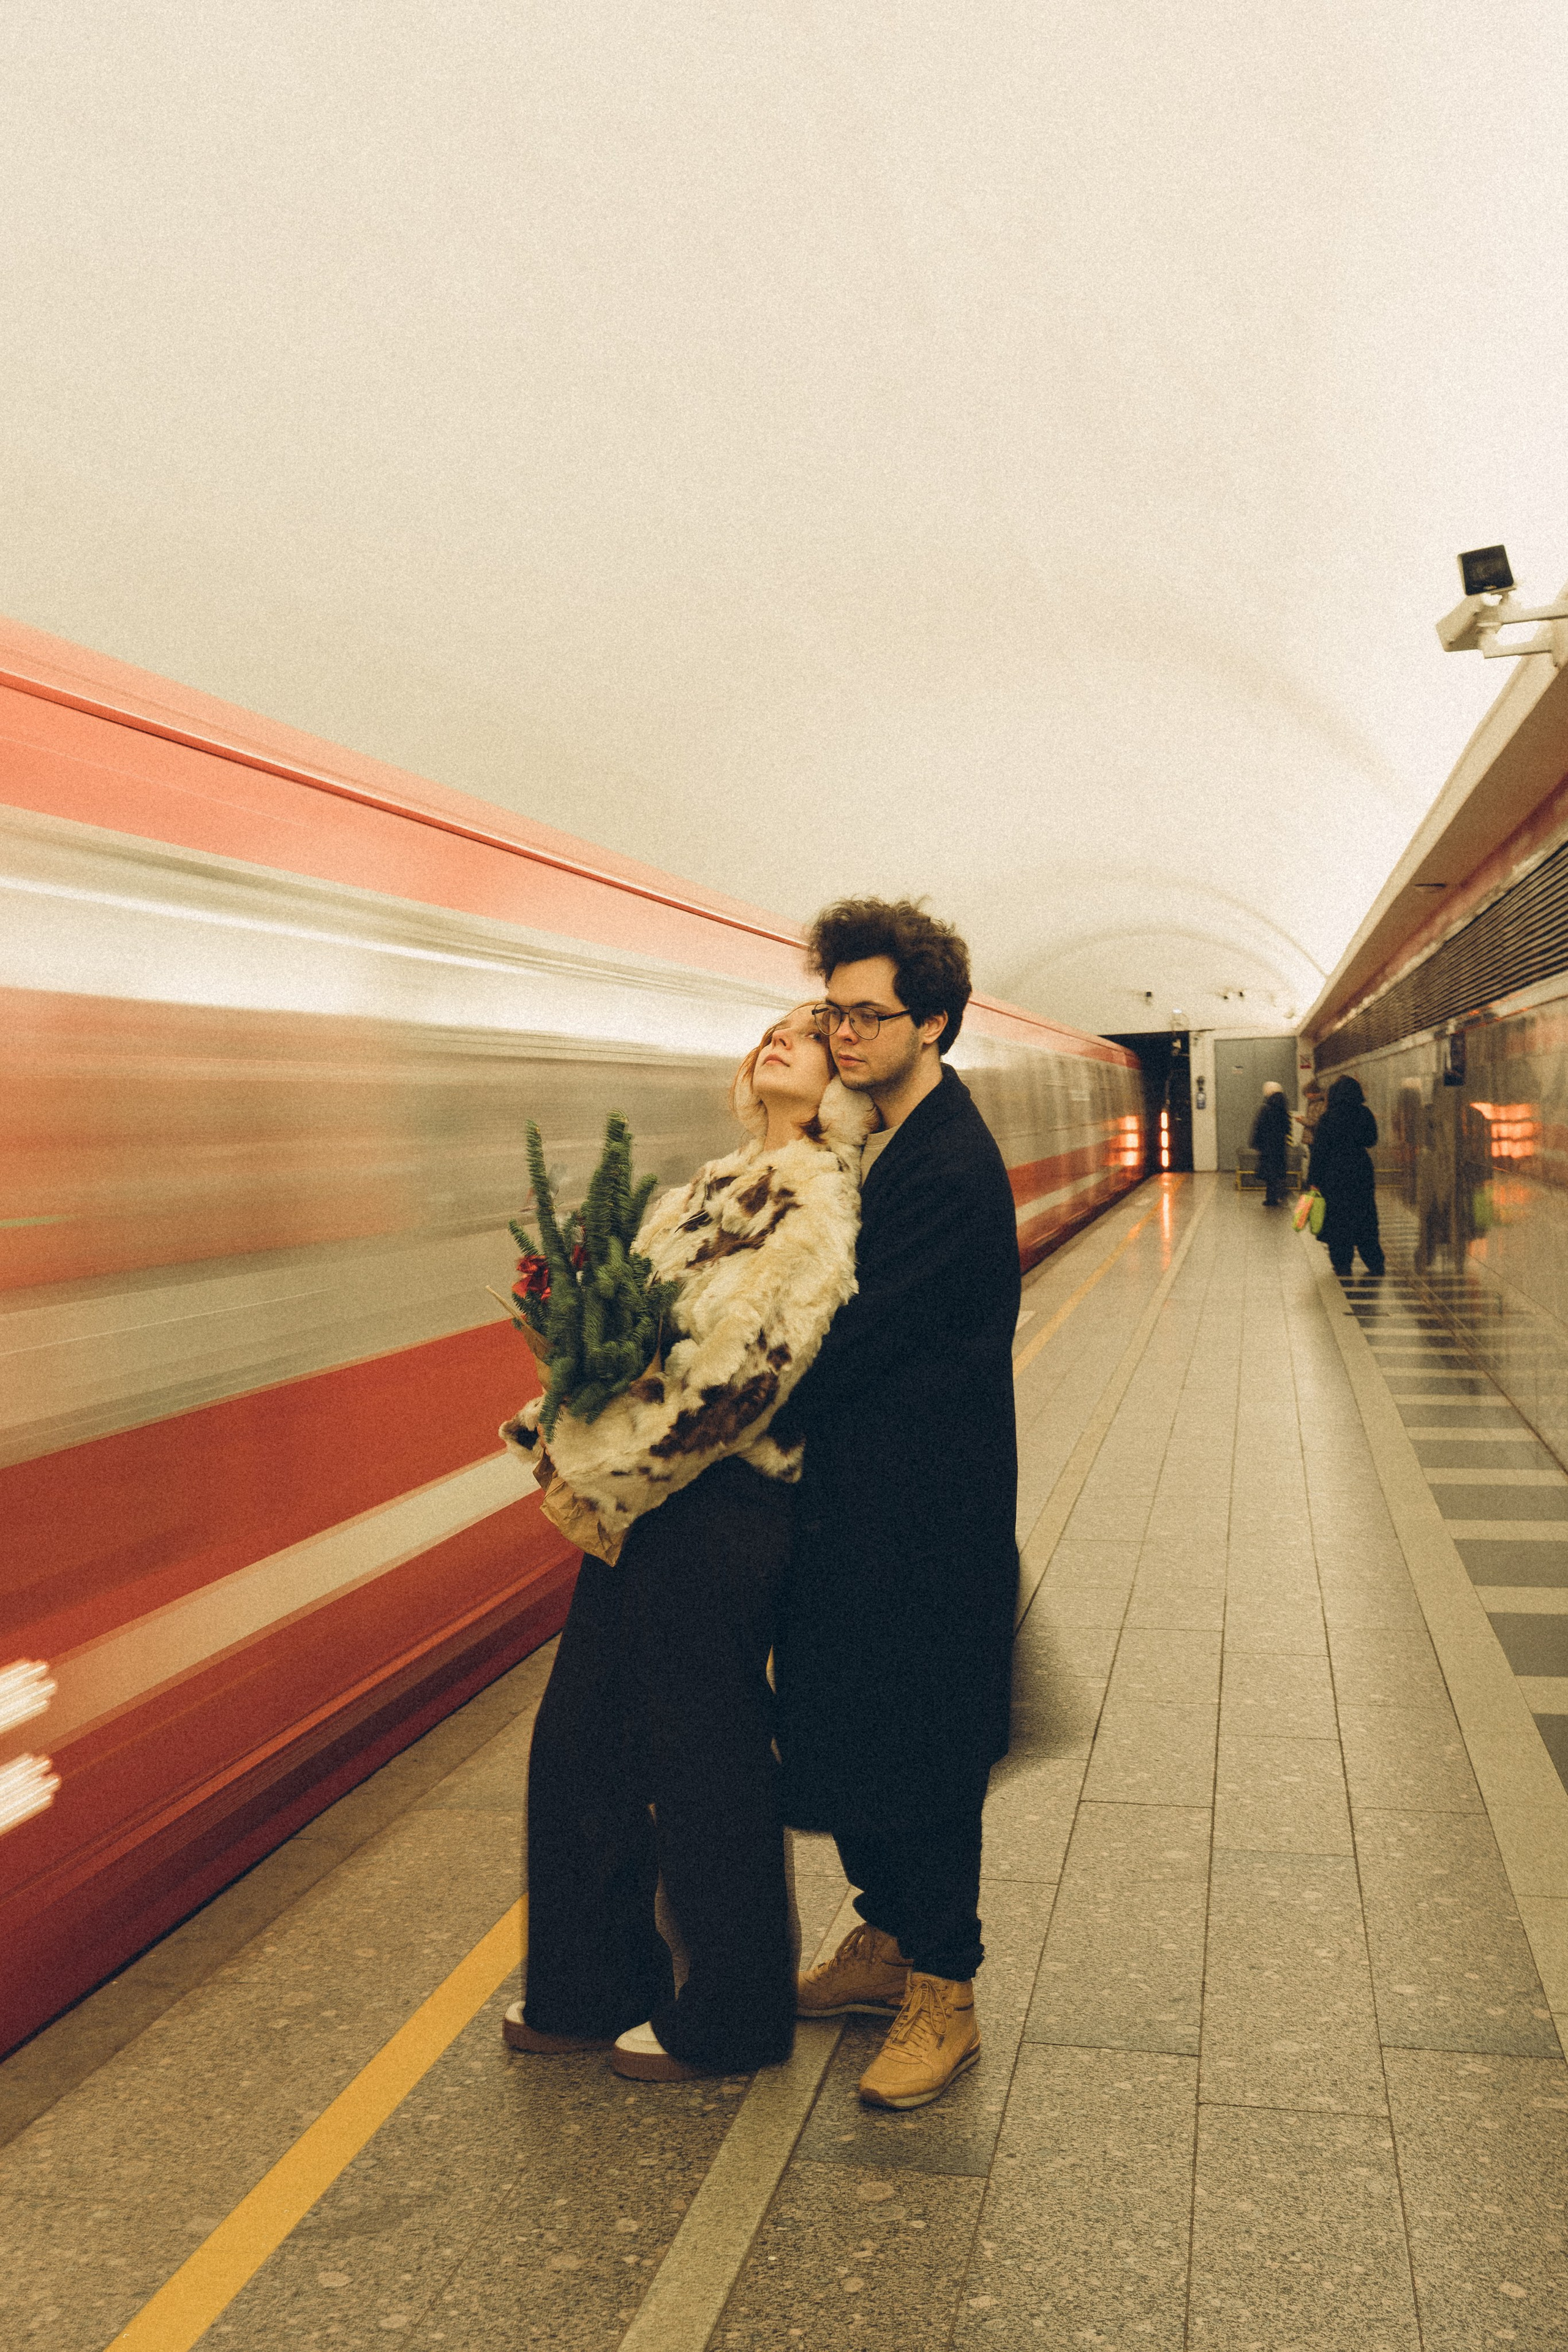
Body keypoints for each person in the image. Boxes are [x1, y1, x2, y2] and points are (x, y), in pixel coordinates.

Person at [499, 1009, 872, 2081]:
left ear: (842, 1082)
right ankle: (591, 1983)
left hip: (720, 1507)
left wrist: (608, 1465)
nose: (783, 1039)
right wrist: (564, 1421)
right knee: (581, 1745)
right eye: (773, 1028)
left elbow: (750, 1373)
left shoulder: (819, 1199)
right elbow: (628, 1333)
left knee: (704, 1762)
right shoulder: (701, 1187)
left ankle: (734, 2013)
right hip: (644, 1499)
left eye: (811, 1034)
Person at [772, 899, 1021, 2112]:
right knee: (845, 1728)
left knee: (922, 1749)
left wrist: (722, 1394)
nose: (846, 1032)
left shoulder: (949, 1164)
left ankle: (945, 1990)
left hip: (925, 1524)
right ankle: (882, 1943)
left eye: (868, 1014)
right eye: (835, 1011)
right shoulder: (876, 1134)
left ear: (931, 1020)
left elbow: (850, 1338)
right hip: (859, 1511)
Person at [1307, 1071, 1385, 1277]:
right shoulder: (1365, 1114)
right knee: (1366, 1216)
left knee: (1338, 1219)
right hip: (1361, 1170)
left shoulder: (1328, 1118)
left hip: (1334, 1173)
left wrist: (1313, 1181)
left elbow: (1320, 1153)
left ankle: (1342, 1264)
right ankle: (1375, 1262)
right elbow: (1372, 1140)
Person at [1250, 1079, 1291, 1207]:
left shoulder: (1267, 1107)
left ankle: (1272, 1198)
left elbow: (1259, 1127)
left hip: (1267, 1145)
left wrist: (1255, 1142)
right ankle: (1278, 1194)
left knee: (1270, 1172)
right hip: (1279, 1145)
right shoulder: (1283, 1107)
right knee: (1277, 1170)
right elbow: (1287, 1127)